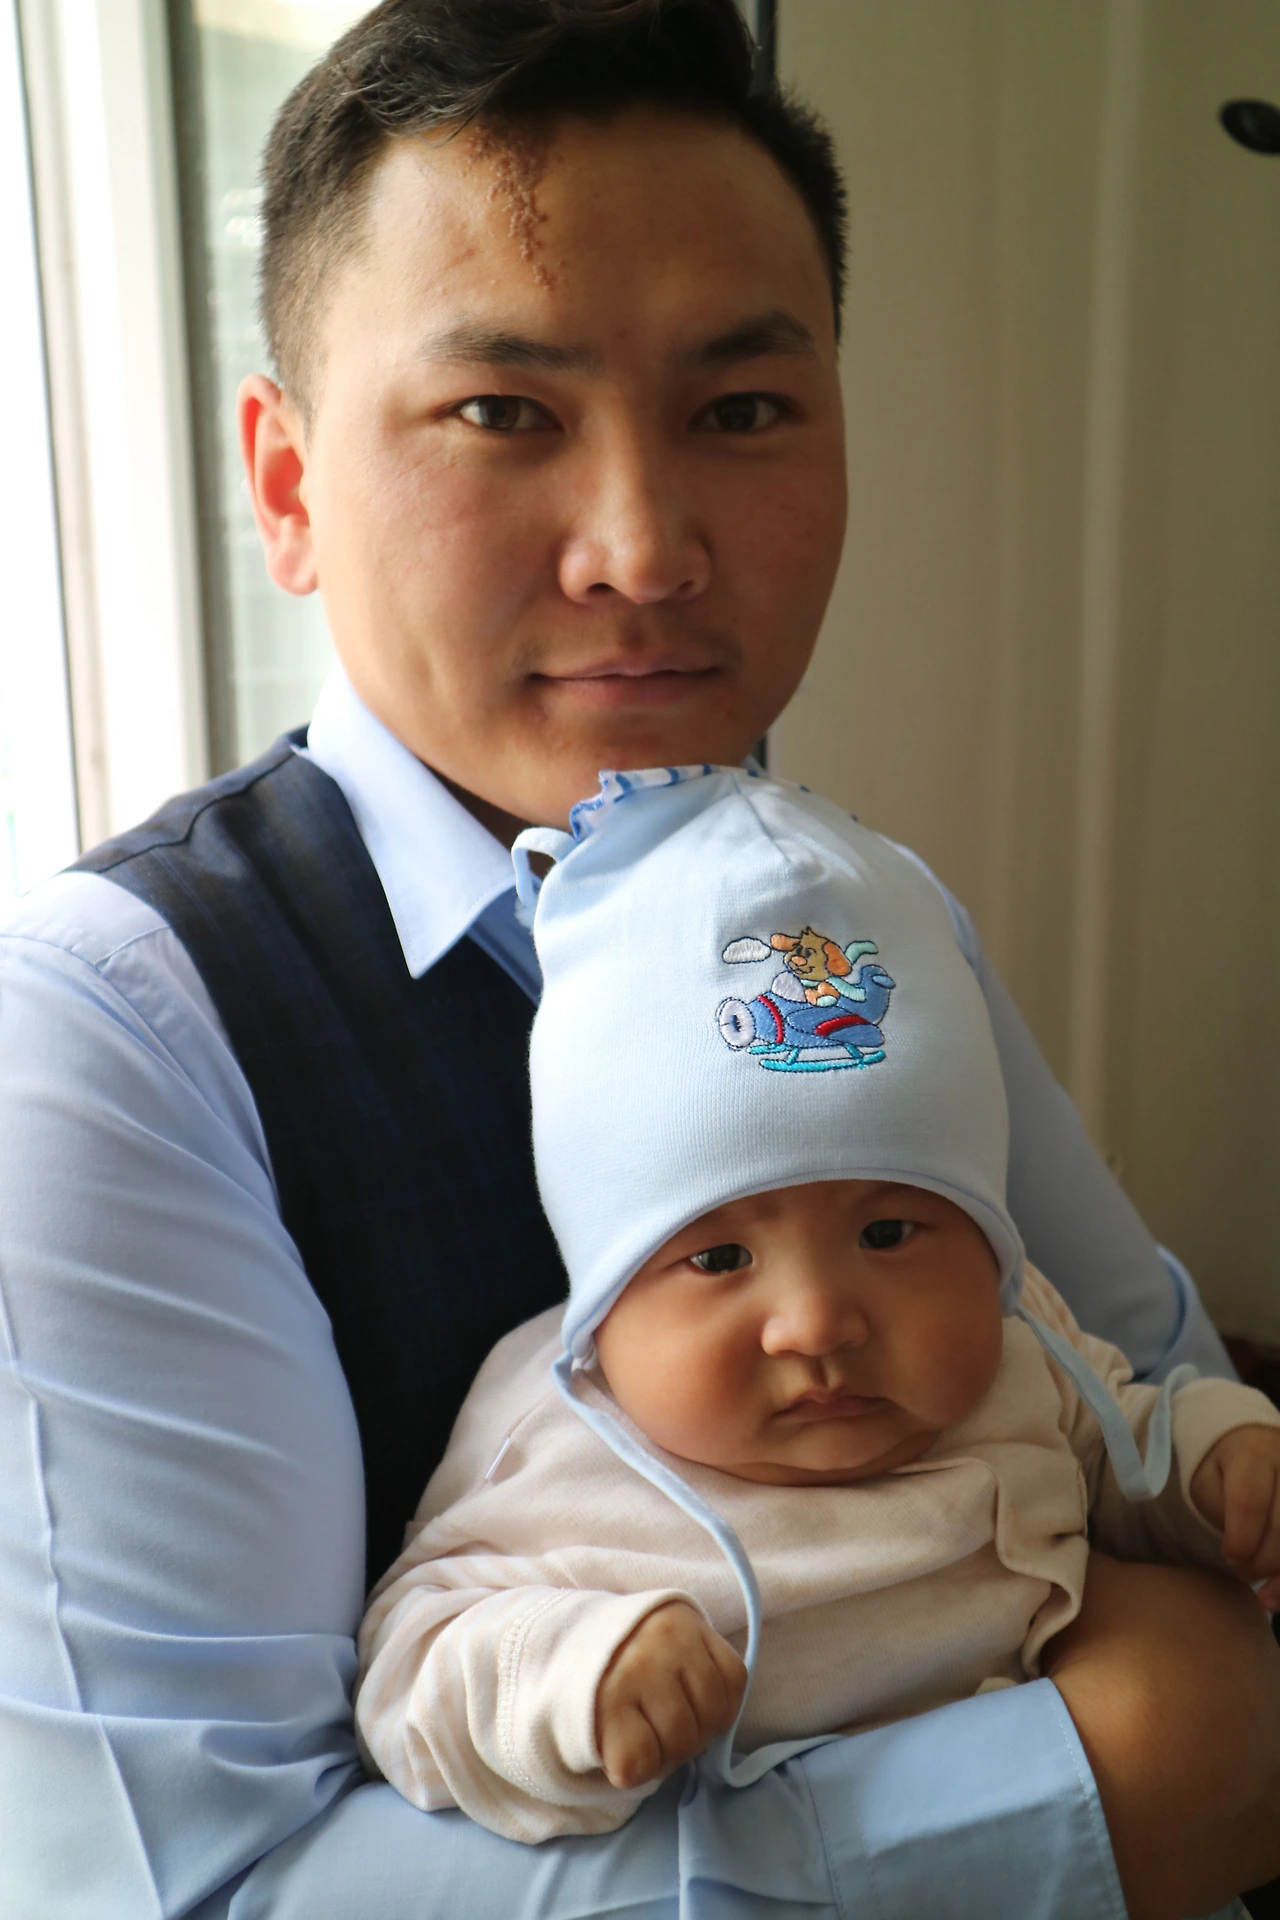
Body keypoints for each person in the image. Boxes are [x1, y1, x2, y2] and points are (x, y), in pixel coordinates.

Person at [1, 2, 1279, 1917]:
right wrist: (1111, 1783)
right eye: (502, 413)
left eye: (741, 409)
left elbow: (1148, 1401)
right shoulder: (108, 1043)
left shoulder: (872, 920)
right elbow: (191, 1887)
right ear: (284, 485)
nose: (644, 549)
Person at [353, 766, 1280, 1847]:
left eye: (888, 1234)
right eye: (718, 1257)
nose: (817, 1323)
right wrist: (569, 1674)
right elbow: (408, 1662)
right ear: (603, 1295)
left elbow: (1126, 1453)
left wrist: (1217, 1461)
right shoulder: (558, 1437)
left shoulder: (1022, 1345)